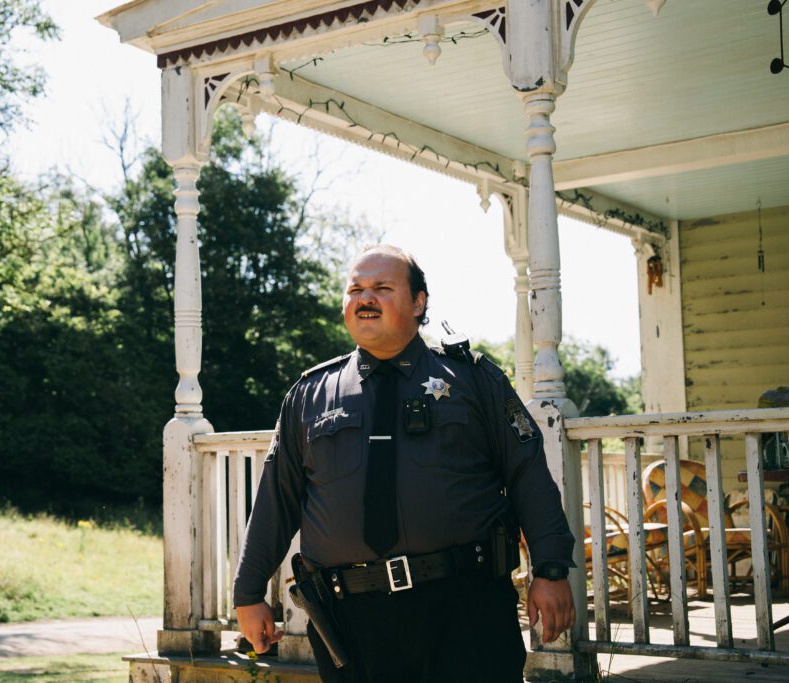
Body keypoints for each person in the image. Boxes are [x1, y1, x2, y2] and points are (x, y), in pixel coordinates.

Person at [233, 244, 576, 682]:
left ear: (419, 302)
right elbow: (275, 501)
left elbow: (528, 473)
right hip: (350, 621)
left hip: (464, 607)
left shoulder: (473, 380)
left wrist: (550, 568)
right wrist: (248, 593)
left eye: (382, 287)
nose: (365, 298)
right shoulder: (309, 395)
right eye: (355, 289)